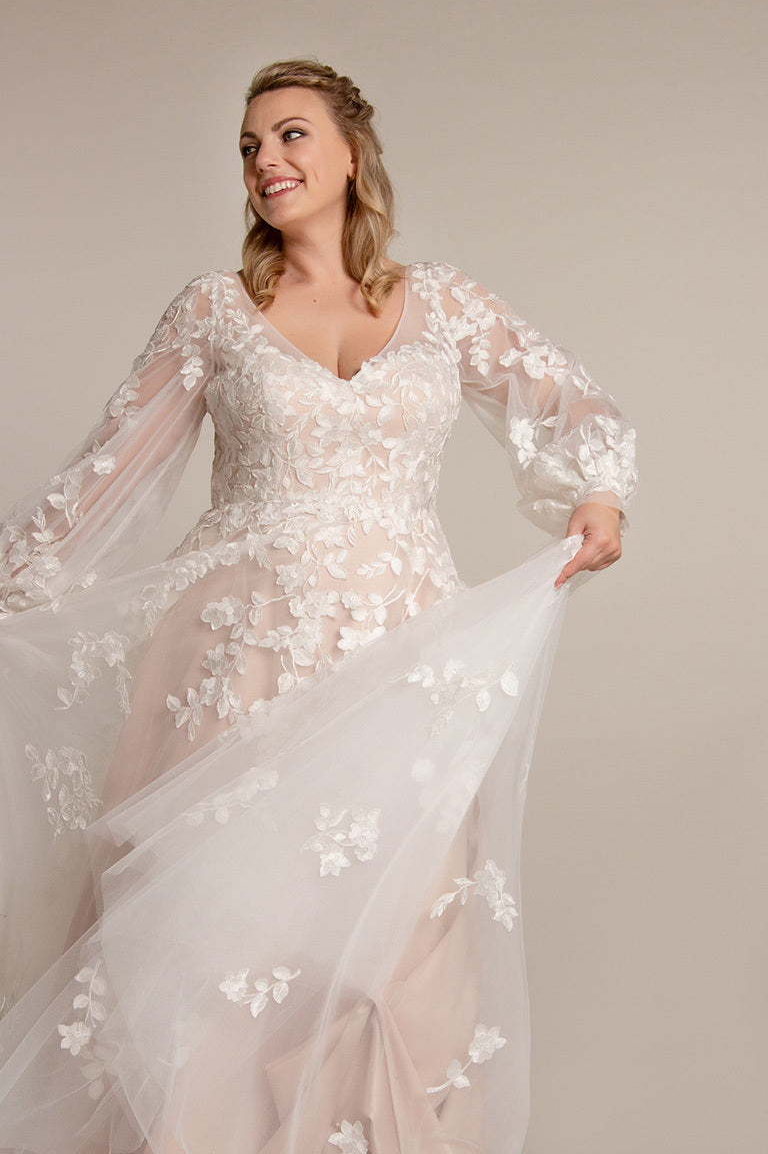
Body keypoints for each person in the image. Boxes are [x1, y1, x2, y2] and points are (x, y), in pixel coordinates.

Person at [0, 59, 637, 1154]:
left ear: (352, 155)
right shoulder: (213, 310)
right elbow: (103, 478)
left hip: (404, 670)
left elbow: (577, 409)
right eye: (248, 148)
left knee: (393, 972)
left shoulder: (444, 306)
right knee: (215, 963)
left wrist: (598, 498)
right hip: (235, 667)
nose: (265, 162)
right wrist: (15, 587)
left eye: (290, 136)